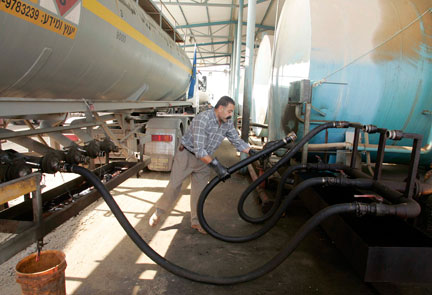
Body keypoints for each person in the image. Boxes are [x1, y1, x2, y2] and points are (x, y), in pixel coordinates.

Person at [149, 96, 255, 233]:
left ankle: (196, 221)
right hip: (187, 155)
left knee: (200, 192)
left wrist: (252, 151)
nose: (231, 115)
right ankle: (159, 211)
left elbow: (236, 141)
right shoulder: (203, 119)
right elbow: (199, 150)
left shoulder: (227, 122)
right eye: (229, 111)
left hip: (205, 160)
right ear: (220, 108)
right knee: (174, 186)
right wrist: (218, 167)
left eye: (232, 112)